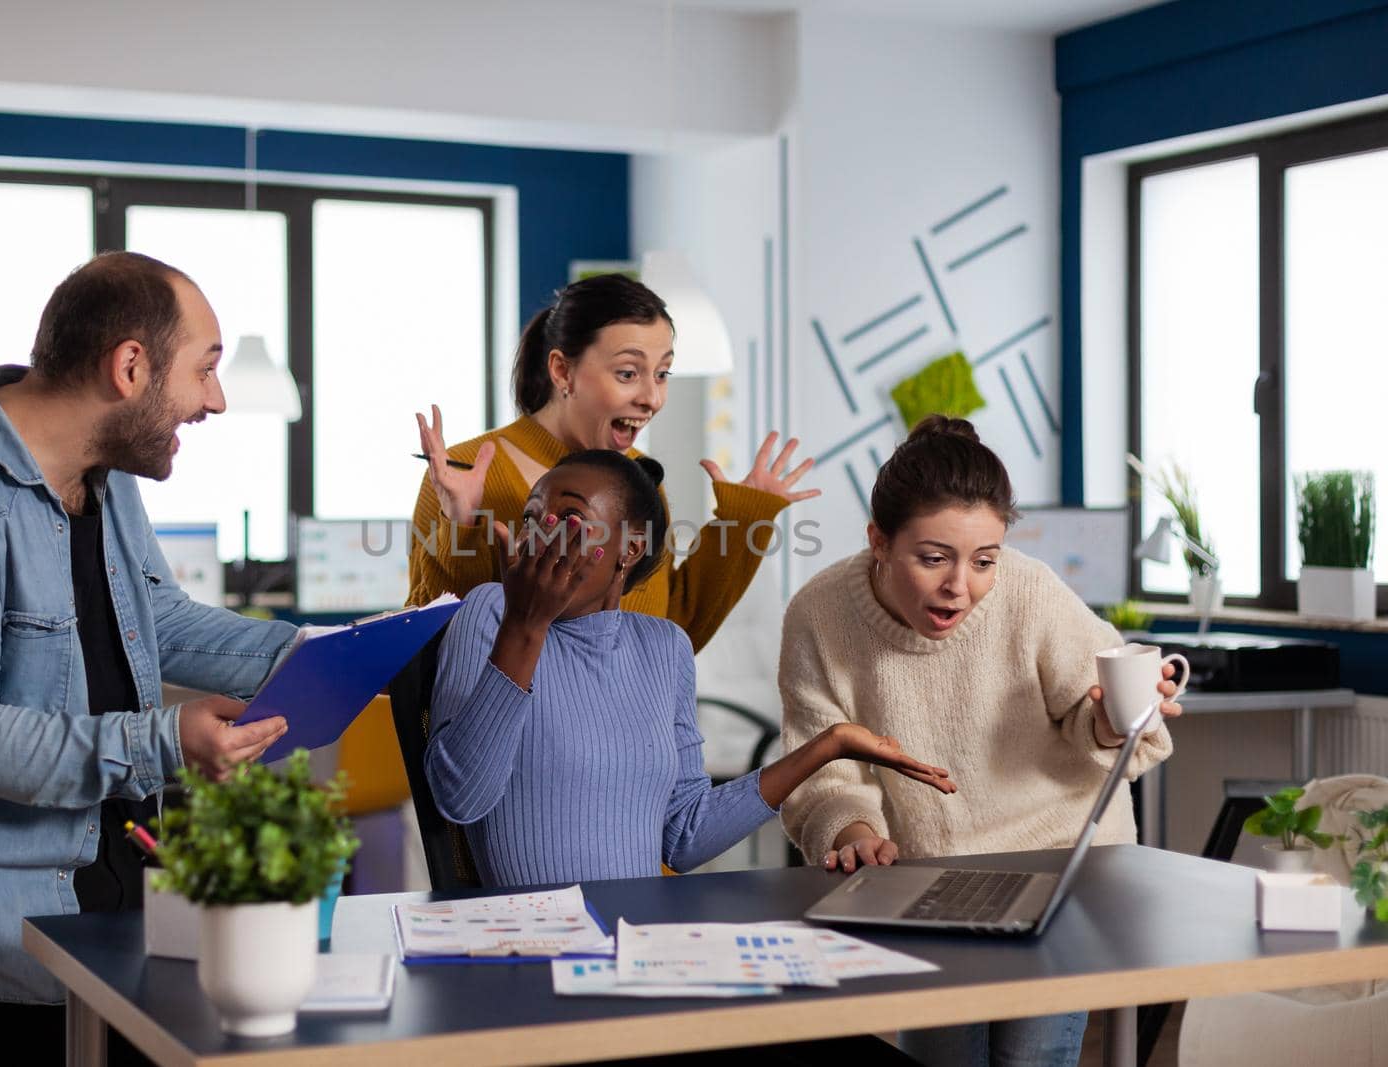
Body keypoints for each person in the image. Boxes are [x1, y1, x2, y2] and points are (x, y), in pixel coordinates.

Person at [0, 252, 296, 1067]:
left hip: (107, 897)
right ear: (130, 366)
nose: (214, 401)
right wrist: (165, 739)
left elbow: (158, 621)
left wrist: (324, 652)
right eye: (205, 370)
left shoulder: (107, 481)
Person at [777, 415, 1182, 1067]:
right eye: (932, 557)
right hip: (922, 882)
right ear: (878, 539)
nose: (959, 585)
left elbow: (1099, 714)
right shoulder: (819, 613)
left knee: (1033, 1056)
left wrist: (1113, 720)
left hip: (1057, 863)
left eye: (984, 560)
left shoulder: (1030, 592)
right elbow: (822, 767)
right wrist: (854, 833)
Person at [425, 449, 954, 888]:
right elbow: (460, 798)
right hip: (528, 947)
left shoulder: (664, 647)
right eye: (532, 520)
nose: (541, 534)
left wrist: (827, 746)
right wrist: (526, 624)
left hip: (639, 940)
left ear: (628, 550)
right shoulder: (492, 612)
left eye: (568, 520)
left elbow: (683, 835)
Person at [410, 272, 817, 653]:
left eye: (661, 374)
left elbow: (669, 630)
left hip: (634, 726)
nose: (652, 399)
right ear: (562, 370)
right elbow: (438, 648)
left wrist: (746, 519)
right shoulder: (461, 471)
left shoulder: (640, 478)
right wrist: (460, 526)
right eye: (628, 373)